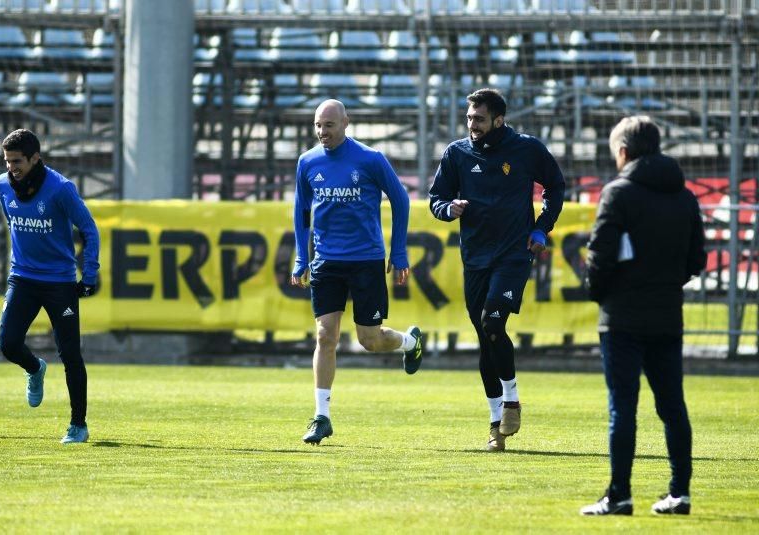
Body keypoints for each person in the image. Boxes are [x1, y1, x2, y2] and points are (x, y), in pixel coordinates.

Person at [580, 116, 706, 516]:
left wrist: (599, 294)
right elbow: (697, 260)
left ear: (623, 152)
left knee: (623, 407)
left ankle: (619, 495)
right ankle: (679, 492)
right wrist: (667, 283)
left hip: (622, 317)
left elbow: (600, 255)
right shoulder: (685, 197)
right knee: (673, 406)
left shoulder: (619, 193)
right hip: (668, 313)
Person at [428, 88, 565, 452]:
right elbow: (435, 198)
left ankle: (512, 400)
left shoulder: (526, 148)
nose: (472, 124)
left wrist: (541, 226)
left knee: (492, 323)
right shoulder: (457, 153)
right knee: (486, 338)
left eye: (480, 119)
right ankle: (495, 425)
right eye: (470, 117)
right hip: (474, 258)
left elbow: (556, 185)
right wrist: (448, 208)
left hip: (513, 254)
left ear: (499, 120)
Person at [291, 99, 423, 445]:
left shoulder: (370, 159)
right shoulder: (307, 162)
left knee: (369, 340)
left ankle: (409, 342)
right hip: (327, 262)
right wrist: (301, 259)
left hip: (365, 260)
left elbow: (401, 199)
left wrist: (399, 251)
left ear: (346, 123)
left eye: (329, 125)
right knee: (325, 336)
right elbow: (301, 211)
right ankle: (322, 416)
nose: (323, 132)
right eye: (318, 125)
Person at [0, 129, 100, 444]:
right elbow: (13, 224)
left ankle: (78, 425)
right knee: (8, 344)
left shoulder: (60, 189)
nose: (11, 167)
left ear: (35, 158)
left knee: (70, 355)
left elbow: (89, 229)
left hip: (59, 282)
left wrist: (90, 274)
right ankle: (35, 369)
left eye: (17, 161)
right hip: (23, 278)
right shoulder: (2, 185)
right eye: (8, 161)